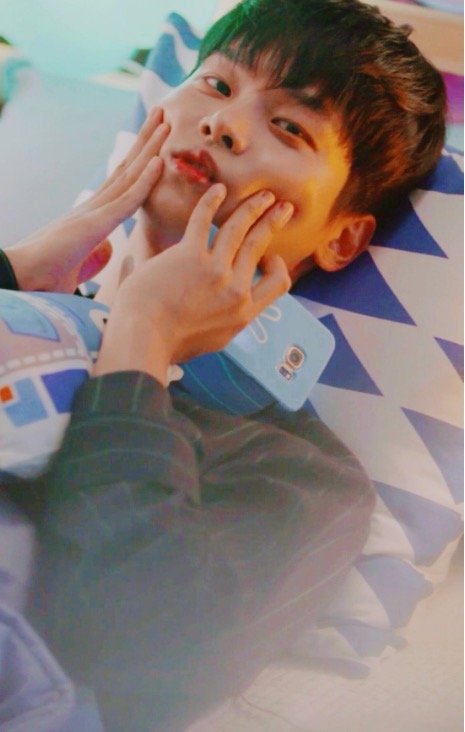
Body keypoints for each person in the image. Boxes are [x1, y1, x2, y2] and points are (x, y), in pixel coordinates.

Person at [0, 0, 445, 729]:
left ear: (341, 238)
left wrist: (144, 337)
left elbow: (144, 660)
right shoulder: (25, 294)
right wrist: (16, 272)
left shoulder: (299, 473)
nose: (222, 123)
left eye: (290, 127)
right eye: (214, 84)